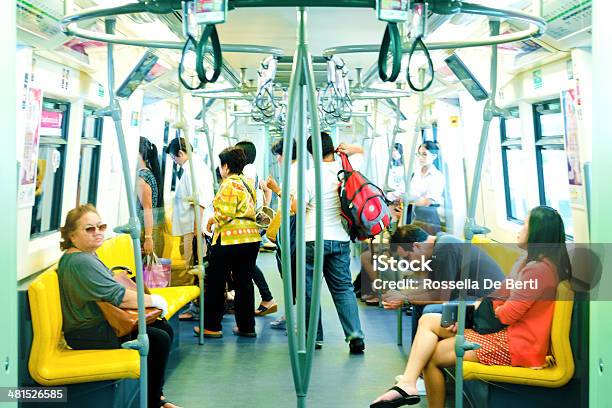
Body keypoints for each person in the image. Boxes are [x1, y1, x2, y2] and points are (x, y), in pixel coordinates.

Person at [370, 206, 570, 408]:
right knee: (428, 320)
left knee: (431, 355)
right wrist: (476, 313)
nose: (520, 228)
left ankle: (409, 384)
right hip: (504, 332)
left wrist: (482, 312)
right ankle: (408, 383)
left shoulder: (539, 271)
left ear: (537, 232)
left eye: (525, 224)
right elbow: (499, 295)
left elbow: (507, 315)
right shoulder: (525, 262)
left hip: (517, 345)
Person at [57, 204, 179, 408]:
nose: (97, 232)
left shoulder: (87, 255)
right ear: (71, 235)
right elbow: (119, 297)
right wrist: (155, 301)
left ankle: (155, 397)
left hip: (99, 325)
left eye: (101, 226)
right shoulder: (80, 262)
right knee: (158, 338)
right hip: (87, 332)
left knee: (162, 328)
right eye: (89, 229)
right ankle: (152, 402)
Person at [383, 225, 504, 341]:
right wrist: (402, 293)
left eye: (407, 258)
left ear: (417, 246)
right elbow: (431, 287)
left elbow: (442, 297)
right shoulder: (437, 244)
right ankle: (419, 352)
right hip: (470, 294)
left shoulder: (445, 249)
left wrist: (404, 299)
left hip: (486, 303)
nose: (408, 264)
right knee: (418, 305)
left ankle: (425, 355)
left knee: (429, 311)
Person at [304, 132, 365, 353]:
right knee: (342, 288)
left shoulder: (309, 176)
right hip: (339, 239)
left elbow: (298, 209)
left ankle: (314, 337)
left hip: (312, 239)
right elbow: (362, 151)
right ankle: (355, 335)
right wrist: (349, 149)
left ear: (311, 153)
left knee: (309, 290)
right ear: (332, 149)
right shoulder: (346, 171)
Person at [200, 146, 262, 338]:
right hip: (251, 238)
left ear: (225, 166)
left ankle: (212, 326)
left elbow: (225, 214)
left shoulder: (228, 184)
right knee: (244, 283)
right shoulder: (247, 183)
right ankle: (246, 327)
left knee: (216, 282)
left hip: (229, 240)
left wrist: (212, 220)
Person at [166, 137, 214, 321]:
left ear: (180, 153)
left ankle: (197, 309)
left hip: (194, 229)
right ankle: (196, 306)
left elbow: (200, 201)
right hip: (190, 227)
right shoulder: (192, 168)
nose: (175, 162)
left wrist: (196, 229)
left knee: (196, 268)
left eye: (174, 159)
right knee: (194, 267)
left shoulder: (195, 170)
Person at [235, 140, 277, 316]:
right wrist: (265, 206)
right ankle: (267, 298)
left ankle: (267, 298)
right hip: (253, 222)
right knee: (247, 263)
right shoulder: (252, 170)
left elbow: (246, 196)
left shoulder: (247, 171)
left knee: (247, 264)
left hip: (248, 223)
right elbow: (266, 190)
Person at [266, 139, 298, 330]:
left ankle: (294, 319)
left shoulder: (294, 173)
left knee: (290, 273)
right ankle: (289, 314)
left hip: (292, 226)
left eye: (278, 155)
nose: (277, 159)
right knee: (288, 273)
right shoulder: (293, 172)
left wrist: (276, 189)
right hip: (288, 225)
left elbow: (293, 205)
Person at [136, 137, 166, 256]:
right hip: (151, 229)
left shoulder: (141, 177)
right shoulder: (149, 172)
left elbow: (147, 210)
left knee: (146, 271)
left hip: (146, 231)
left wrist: (148, 238)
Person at [407, 141, 445, 234]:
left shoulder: (437, 176)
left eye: (424, 154)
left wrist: (408, 201)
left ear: (434, 156)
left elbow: (427, 202)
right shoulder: (416, 173)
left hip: (428, 218)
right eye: (419, 154)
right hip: (413, 213)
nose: (420, 157)